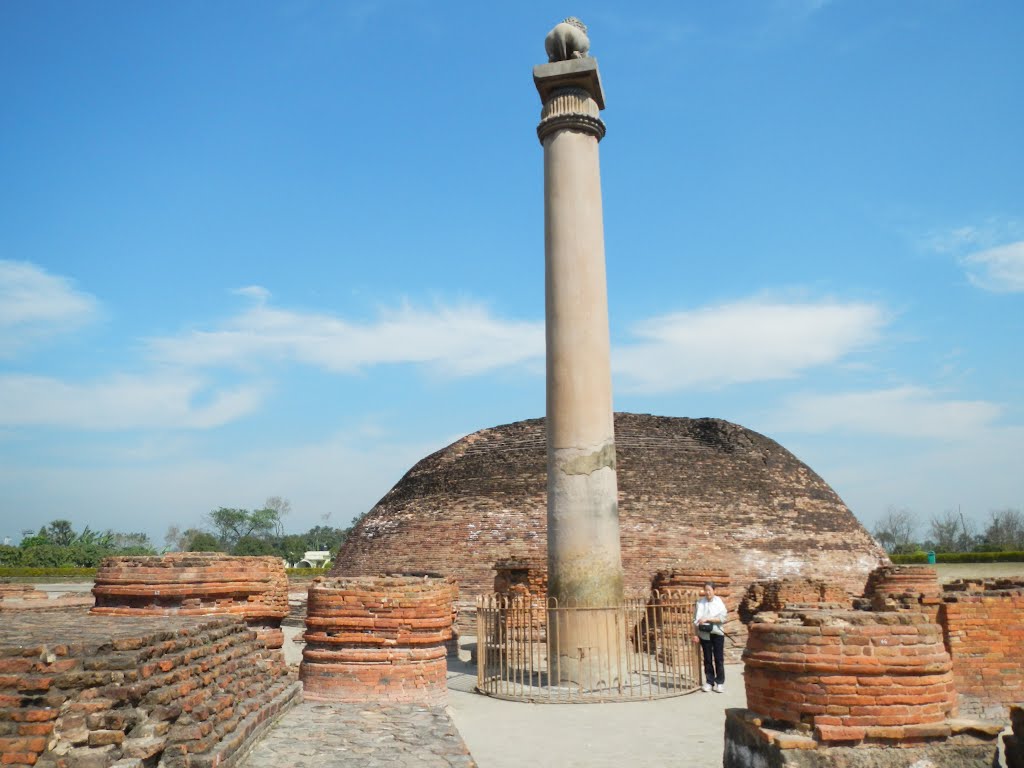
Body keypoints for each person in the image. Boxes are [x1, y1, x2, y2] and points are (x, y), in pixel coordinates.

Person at [693, 581, 727, 692]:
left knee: (719, 659)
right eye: (706, 590)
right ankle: (709, 681)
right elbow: (695, 620)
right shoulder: (700, 603)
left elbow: (722, 618)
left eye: (709, 590)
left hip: (717, 633)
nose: (707, 592)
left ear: (714, 591)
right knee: (707, 659)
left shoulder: (719, 602)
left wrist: (708, 619)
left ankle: (720, 682)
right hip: (704, 634)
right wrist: (695, 634)